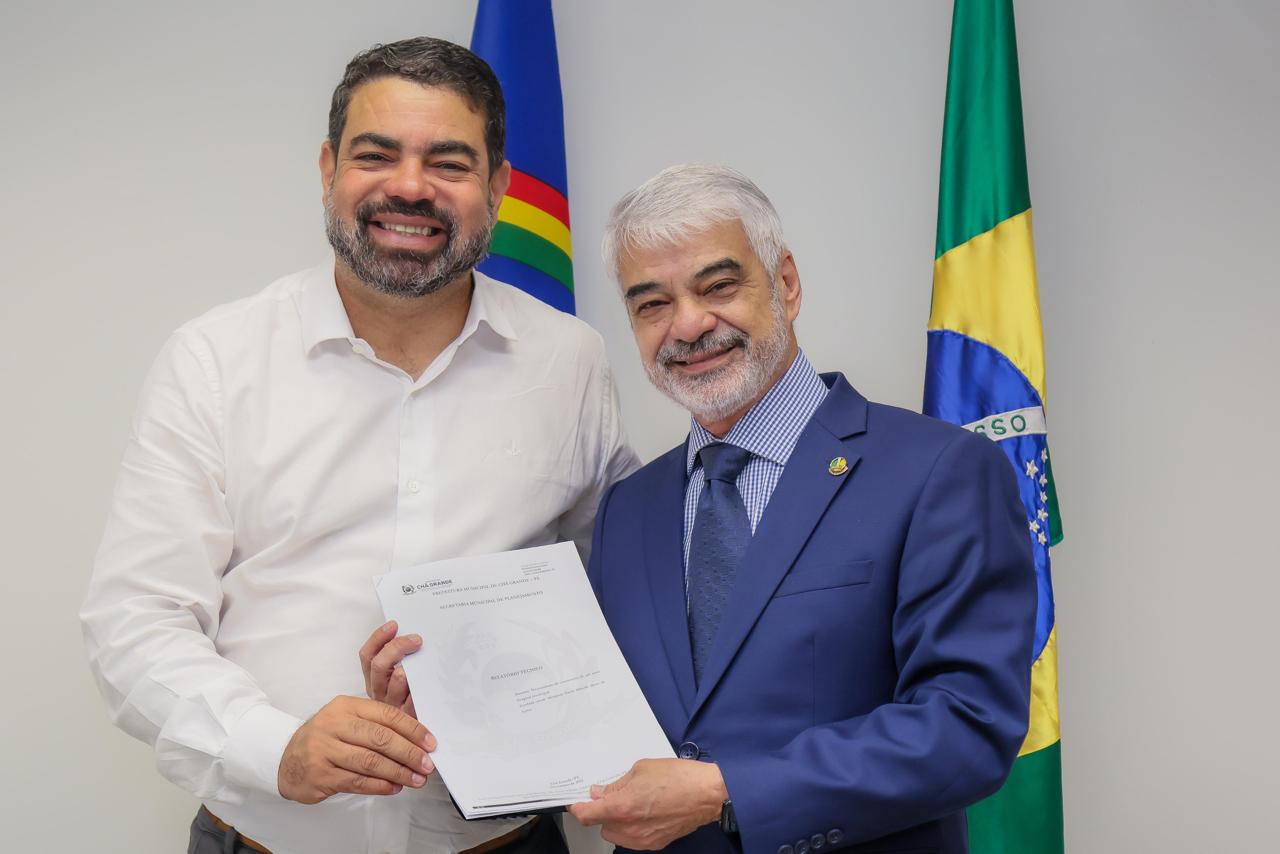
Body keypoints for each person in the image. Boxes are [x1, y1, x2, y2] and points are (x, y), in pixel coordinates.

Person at [80, 37, 637, 854]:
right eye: (376, 155)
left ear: (498, 188)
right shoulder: (214, 361)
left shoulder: (572, 361)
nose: (409, 186)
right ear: (328, 169)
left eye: (448, 162)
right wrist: (274, 747)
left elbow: (622, 595)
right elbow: (135, 620)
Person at [563, 164, 1037, 853]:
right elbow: (590, 705)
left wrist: (728, 791)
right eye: (652, 304)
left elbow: (967, 725)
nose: (688, 324)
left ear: (785, 282)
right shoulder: (627, 509)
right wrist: (441, 700)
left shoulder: (940, 471)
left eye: (718, 287)